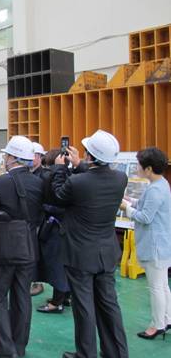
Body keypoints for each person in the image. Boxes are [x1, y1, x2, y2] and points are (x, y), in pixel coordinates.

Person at [52, 130, 129, 358]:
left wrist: (60, 169)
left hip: (80, 254)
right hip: (107, 252)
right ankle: (116, 352)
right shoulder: (120, 179)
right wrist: (80, 165)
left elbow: (58, 196)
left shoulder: (77, 182)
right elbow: (96, 177)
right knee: (109, 304)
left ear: (89, 155)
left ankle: (86, 353)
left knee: (84, 305)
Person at [0, 135, 44, 358]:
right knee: (22, 297)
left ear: (12, 157)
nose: (4, 158)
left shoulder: (1, 183)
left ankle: (5, 350)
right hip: (29, 248)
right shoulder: (38, 183)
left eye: (6, 155)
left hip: (4, 249)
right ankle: (19, 347)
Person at [120, 147, 171, 339]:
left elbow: (145, 217)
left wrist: (126, 208)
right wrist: (129, 200)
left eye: (140, 165)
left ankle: (158, 325)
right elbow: (146, 205)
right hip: (161, 244)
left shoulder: (156, 190)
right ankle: (167, 319)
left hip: (154, 246)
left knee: (156, 287)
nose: (137, 168)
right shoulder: (160, 184)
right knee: (162, 285)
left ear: (149, 168)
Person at [36, 149, 71, 314]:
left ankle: (57, 302)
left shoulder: (48, 177)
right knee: (64, 264)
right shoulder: (72, 176)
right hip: (68, 227)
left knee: (56, 264)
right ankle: (65, 296)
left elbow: (52, 200)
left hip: (54, 226)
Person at [30, 142, 47, 297]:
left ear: (40, 157)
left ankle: (37, 282)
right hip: (29, 219)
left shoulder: (44, 175)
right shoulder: (28, 173)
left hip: (40, 220)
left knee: (36, 251)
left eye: (34, 155)